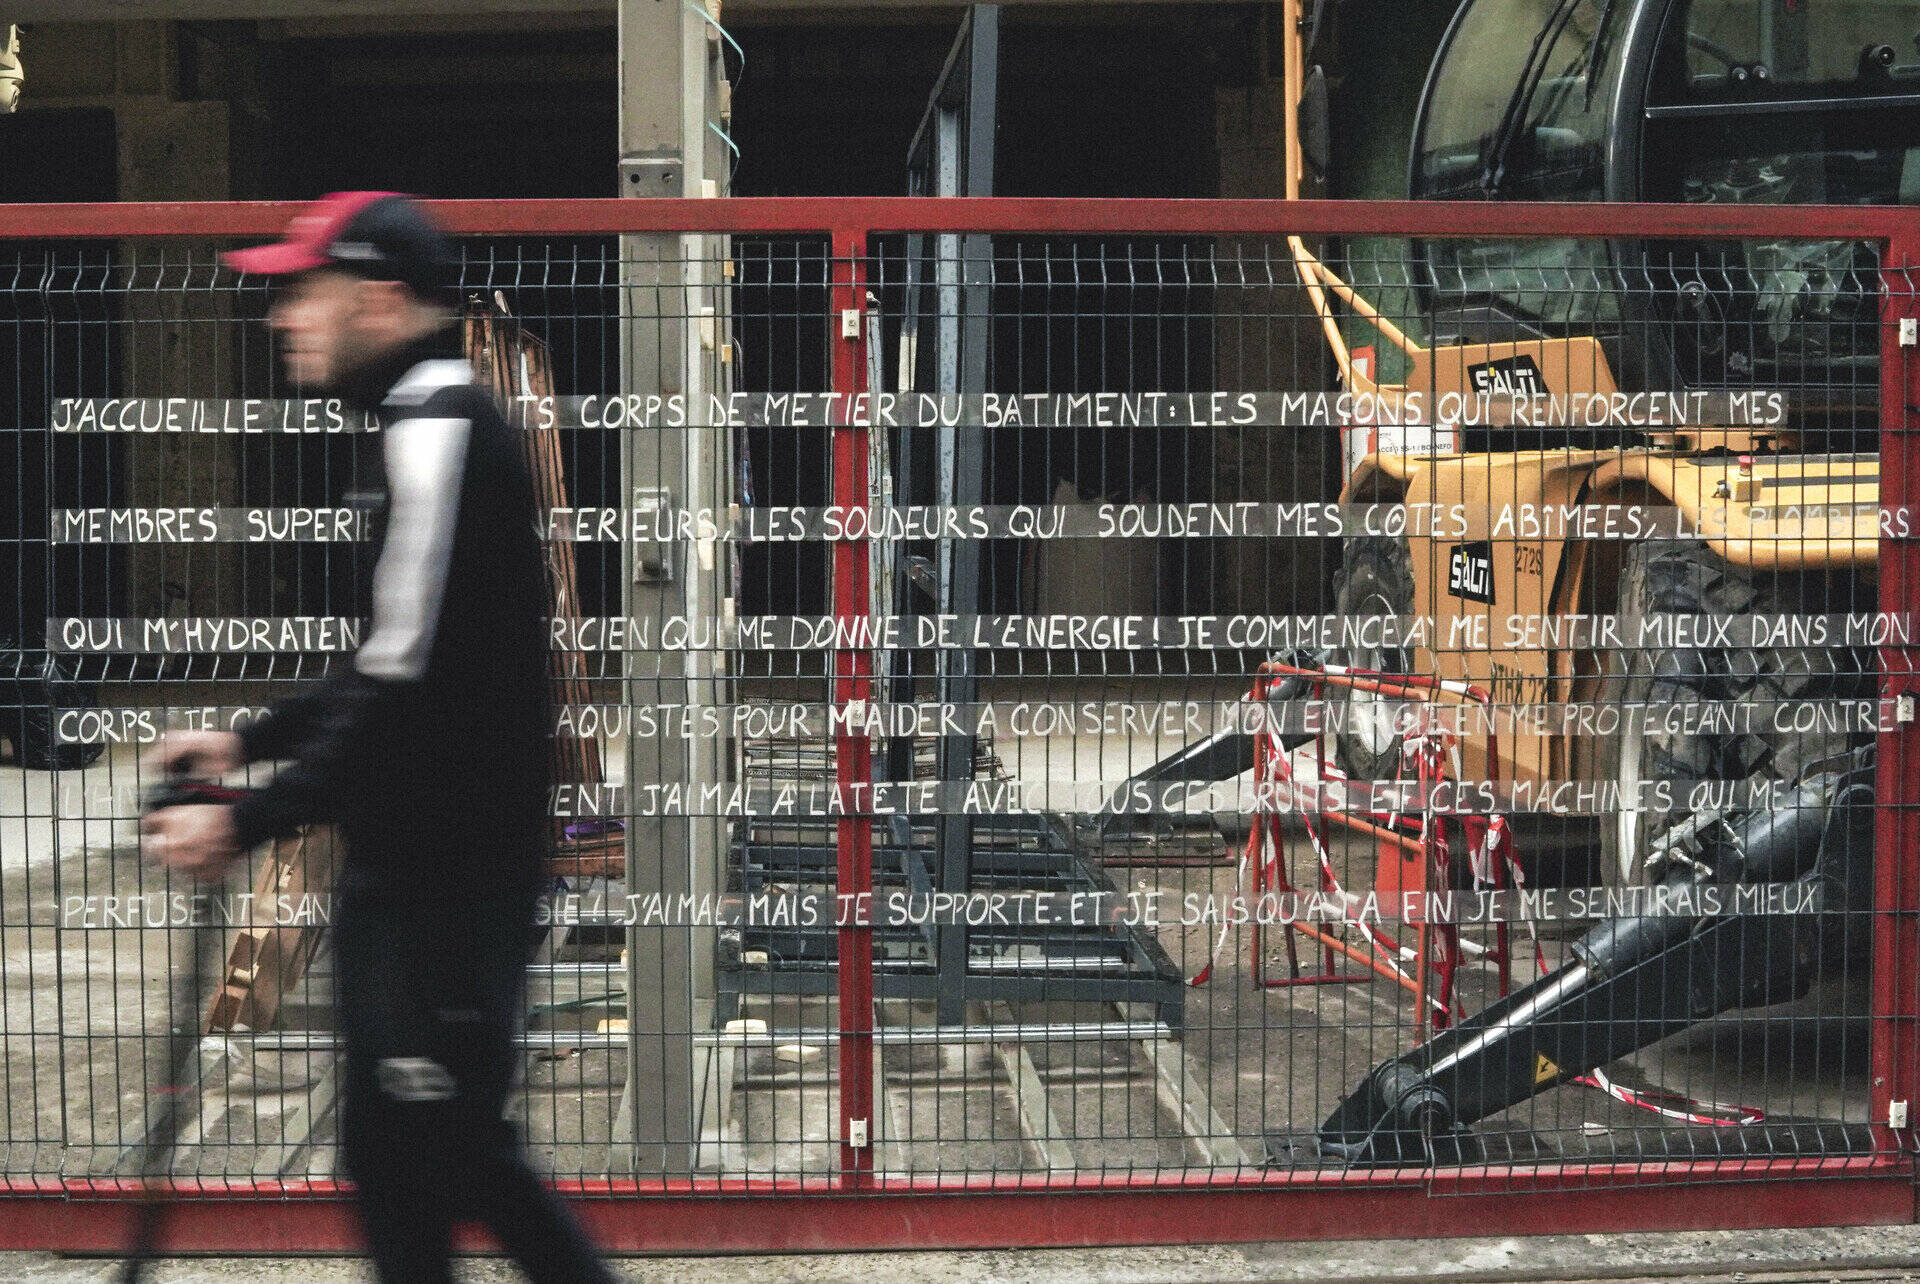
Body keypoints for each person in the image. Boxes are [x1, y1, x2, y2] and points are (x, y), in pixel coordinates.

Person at [142, 191, 619, 1284]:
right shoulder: (415, 424)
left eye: (306, 292)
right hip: (412, 872)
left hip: (451, 883)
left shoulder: (441, 432)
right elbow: (384, 661)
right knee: (405, 1160)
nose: (283, 317)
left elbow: (403, 691)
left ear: (382, 298)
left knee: (452, 1153)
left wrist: (247, 821)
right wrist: (244, 743)